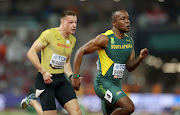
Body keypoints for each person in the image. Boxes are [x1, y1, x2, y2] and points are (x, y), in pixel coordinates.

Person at [72, 10, 149, 115]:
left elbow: (130, 67)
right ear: (114, 23)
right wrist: (75, 76)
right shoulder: (105, 38)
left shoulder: (129, 41)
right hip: (103, 83)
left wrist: (140, 57)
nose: (127, 22)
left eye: (128, 19)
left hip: (117, 85)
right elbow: (80, 51)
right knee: (128, 107)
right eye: (123, 19)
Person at [20, 10, 82, 115]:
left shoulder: (72, 40)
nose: (74, 25)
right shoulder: (49, 34)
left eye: (75, 22)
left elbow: (66, 62)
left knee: (77, 113)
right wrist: (43, 72)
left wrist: (71, 76)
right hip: (46, 80)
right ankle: (32, 101)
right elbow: (31, 53)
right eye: (70, 22)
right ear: (62, 22)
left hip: (61, 79)